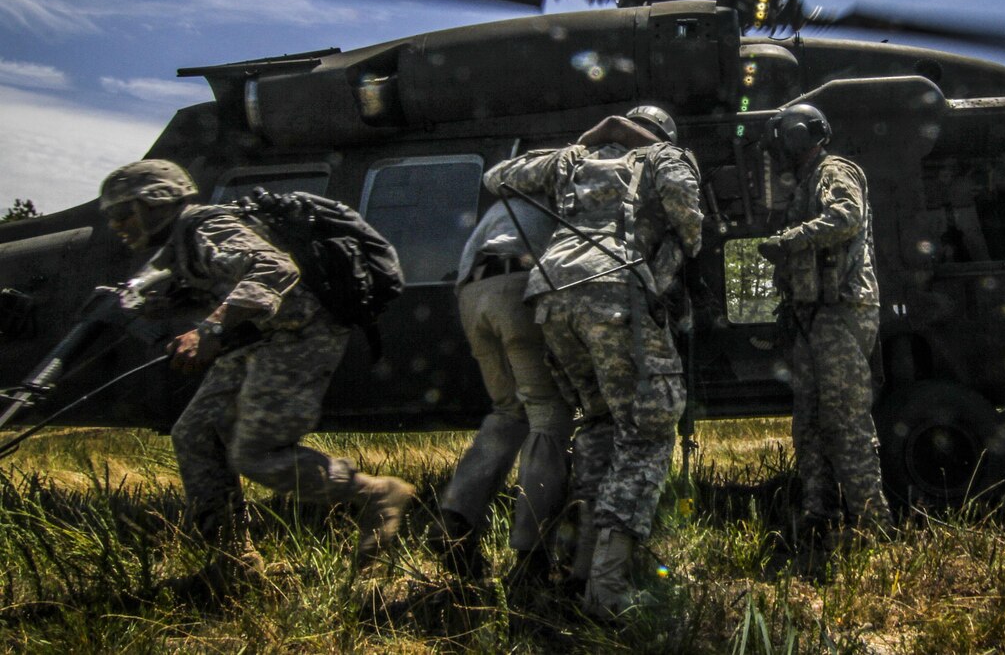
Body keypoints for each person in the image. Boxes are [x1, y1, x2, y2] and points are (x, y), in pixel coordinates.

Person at [98, 159, 414, 596]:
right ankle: (235, 563)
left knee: (257, 454)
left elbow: (275, 269)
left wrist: (209, 329)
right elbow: (220, 283)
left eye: (123, 213)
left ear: (157, 203)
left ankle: (377, 494)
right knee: (193, 433)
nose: (116, 225)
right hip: (258, 339)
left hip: (299, 335)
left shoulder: (206, 226)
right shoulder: (180, 243)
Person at [483, 105, 703, 617]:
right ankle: (608, 593)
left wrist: (584, 139)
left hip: (552, 298)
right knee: (648, 428)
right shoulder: (665, 157)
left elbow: (497, 178)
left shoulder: (571, 160)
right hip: (615, 291)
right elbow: (688, 221)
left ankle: (575, 569)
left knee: (601, 424)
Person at [756, 103, 892, 542]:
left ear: (796, 136)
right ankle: (820, 514)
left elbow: (846, 217)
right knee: (810, 422)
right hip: (814, 315)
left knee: (845, 420)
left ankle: (873, 524)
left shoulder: (835, 171)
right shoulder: (806, 181)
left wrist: (788, 241)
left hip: (842, 310)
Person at [429, 198, 573, 593]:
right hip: (517, 285)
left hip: (472, 292)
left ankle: (455, 518)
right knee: (549, 416)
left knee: (509, 411)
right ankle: (531, 554)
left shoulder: (507, 201)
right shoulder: (564, 193)